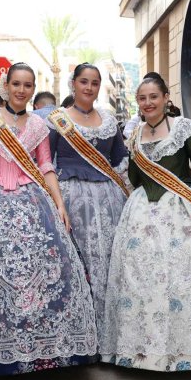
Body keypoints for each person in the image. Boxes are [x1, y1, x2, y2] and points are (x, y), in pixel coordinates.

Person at [0, 62, 97, 376]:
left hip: (31, 201)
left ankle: (38, 348)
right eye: (16, 84)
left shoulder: (39, 126)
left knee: (42, 273)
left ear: (32, 89)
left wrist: (59, 205)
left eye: (27, 85)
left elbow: (46, 167)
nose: (21, 90)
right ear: (6, 85)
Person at [100, 73, 191, 371]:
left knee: (186, 275)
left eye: (154, 96)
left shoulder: (183, 128)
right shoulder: (135, 136)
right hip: (143, 211)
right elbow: (136, 178)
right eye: (142, 98)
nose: (148, 103)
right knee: (141, 276)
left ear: (167, 98)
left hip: (183, 209)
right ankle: (142, 351)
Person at [47, 63, 129, 344]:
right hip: (70, 199)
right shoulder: (57, 119)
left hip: (107, 200)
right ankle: (79, 335)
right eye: (84, 81)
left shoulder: (108, 120)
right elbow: (46, 162)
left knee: (107, 263)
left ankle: (107, 334)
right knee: (74, 263)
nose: (89, 87)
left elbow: (120, 160)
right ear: (73, 84)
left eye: (95, 83)